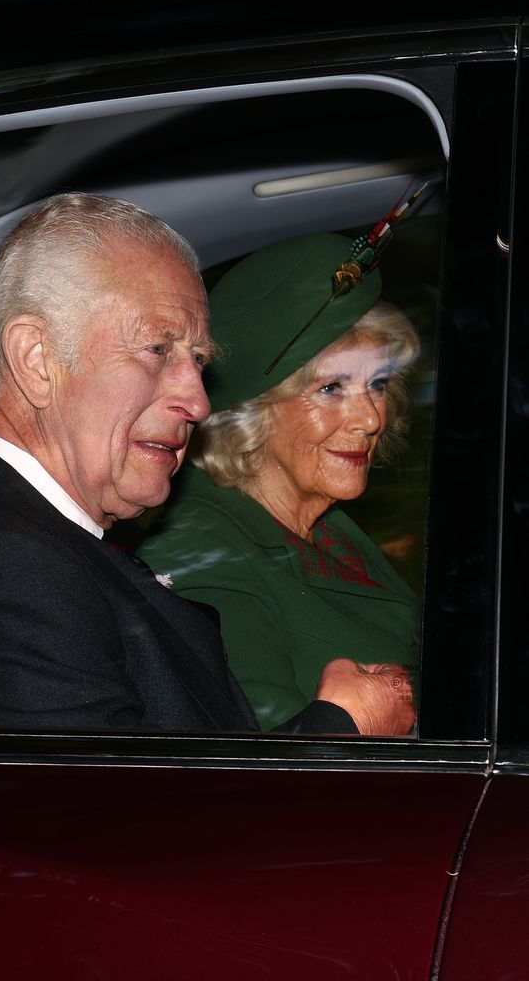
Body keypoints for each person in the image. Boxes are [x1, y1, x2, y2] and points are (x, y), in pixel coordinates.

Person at [0, 194, 414, 735]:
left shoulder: (30, 542)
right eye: (158, 350)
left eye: (197, 361)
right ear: (36, 359)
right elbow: (120, 824)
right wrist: (341, 729)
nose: (198, 402)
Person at [138, 230, 422, 731]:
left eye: (377, 384)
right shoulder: (201, 551)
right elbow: (266, 773)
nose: (371, 418)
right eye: (331, 387)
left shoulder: (327, 529)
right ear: (255, 412)